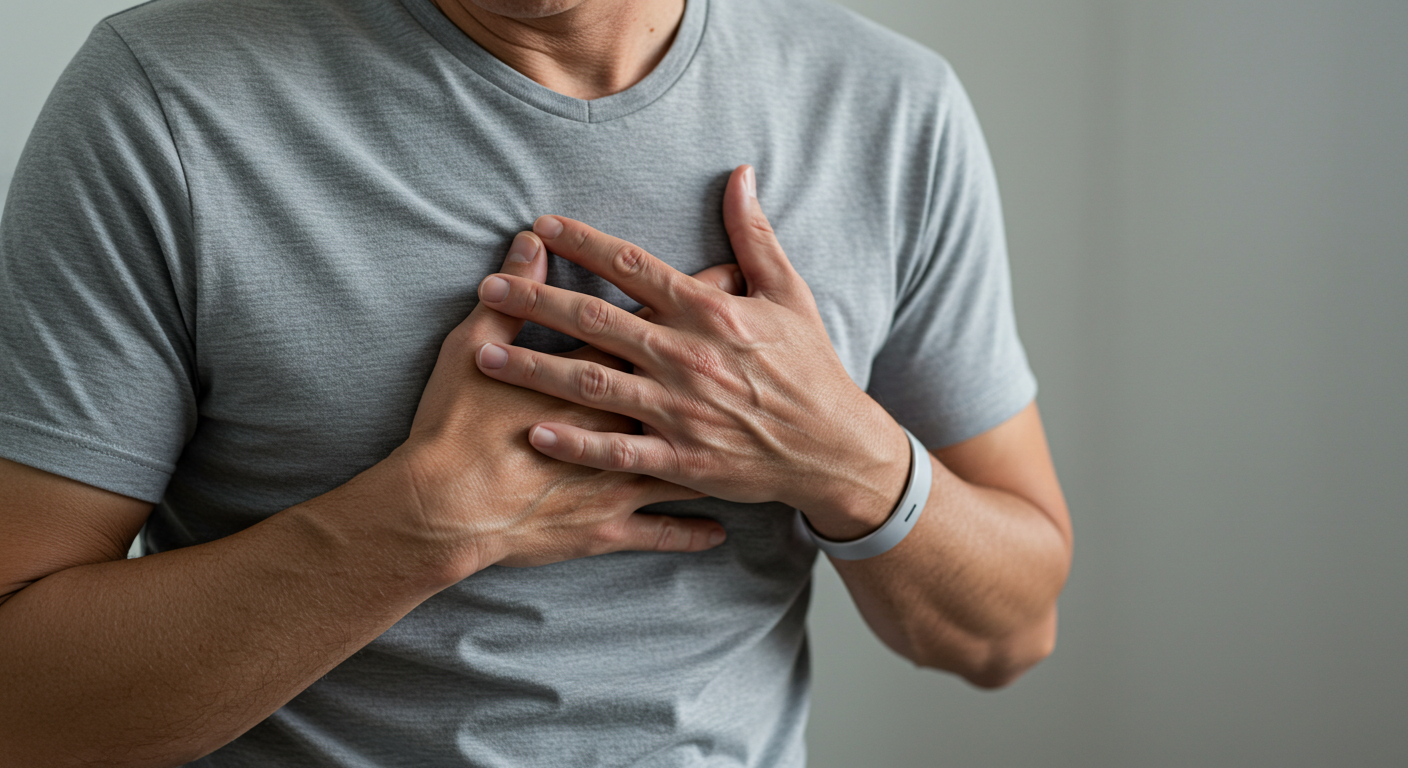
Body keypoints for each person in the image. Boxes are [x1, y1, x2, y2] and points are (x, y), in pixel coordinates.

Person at [0, 0, 1073, 764]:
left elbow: (1006, 633)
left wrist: (845, 457)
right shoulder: (167, 101)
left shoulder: (888, 108)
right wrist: (419, 526)